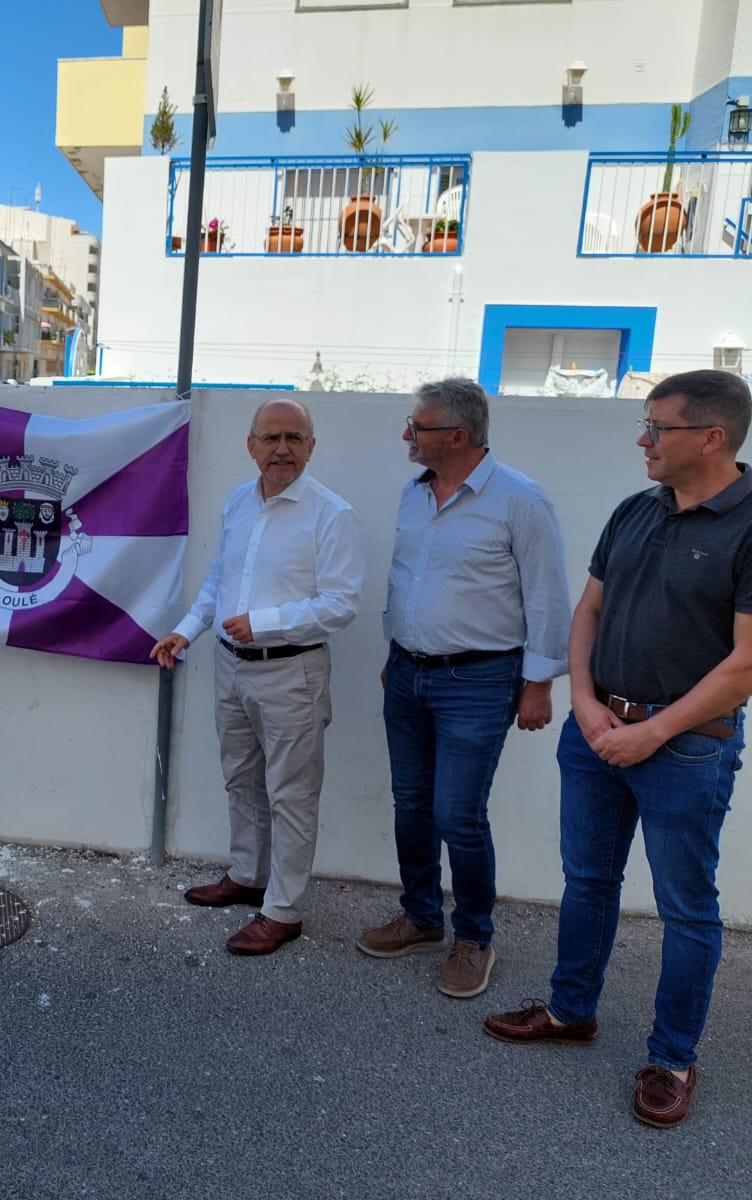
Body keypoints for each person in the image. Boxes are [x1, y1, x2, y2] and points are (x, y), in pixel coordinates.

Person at [485, 370, 752, 1129]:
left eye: (657, 427)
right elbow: (589, 611)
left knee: (686, 909)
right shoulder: (636, 509)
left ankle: (673, 1058)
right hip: (598, 730)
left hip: (686, 747)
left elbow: (745, 665)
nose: (642, 439)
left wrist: (652, 731)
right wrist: (585, 701)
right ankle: (571, 1011)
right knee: (589, 881)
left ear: (712, 437)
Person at [359, 377, 572, 999]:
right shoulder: (413, 493)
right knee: (411, 803)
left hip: (480, 680)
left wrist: (538, 684)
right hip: (407, 672)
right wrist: (395, 648)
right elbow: (405, 579)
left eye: (417, 426)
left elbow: (547, 597)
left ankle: (474, 935)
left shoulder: (520, 500)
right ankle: (421, 917)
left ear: (457, 436)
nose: (406, 434)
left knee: (458, 813)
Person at [151, 399, 364, 956]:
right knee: (241, 778)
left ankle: (283, 910)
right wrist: (187, 630)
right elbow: (220, 577)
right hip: (231, 667)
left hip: (292, 672)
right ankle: (248, 875)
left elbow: (341, 604)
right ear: (251, 446)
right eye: (271, 438)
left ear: (311, 447)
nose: (282, 449)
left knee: (292, 794)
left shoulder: (331, 514)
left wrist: (264, 623)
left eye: (294, 438)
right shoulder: (238, 502)